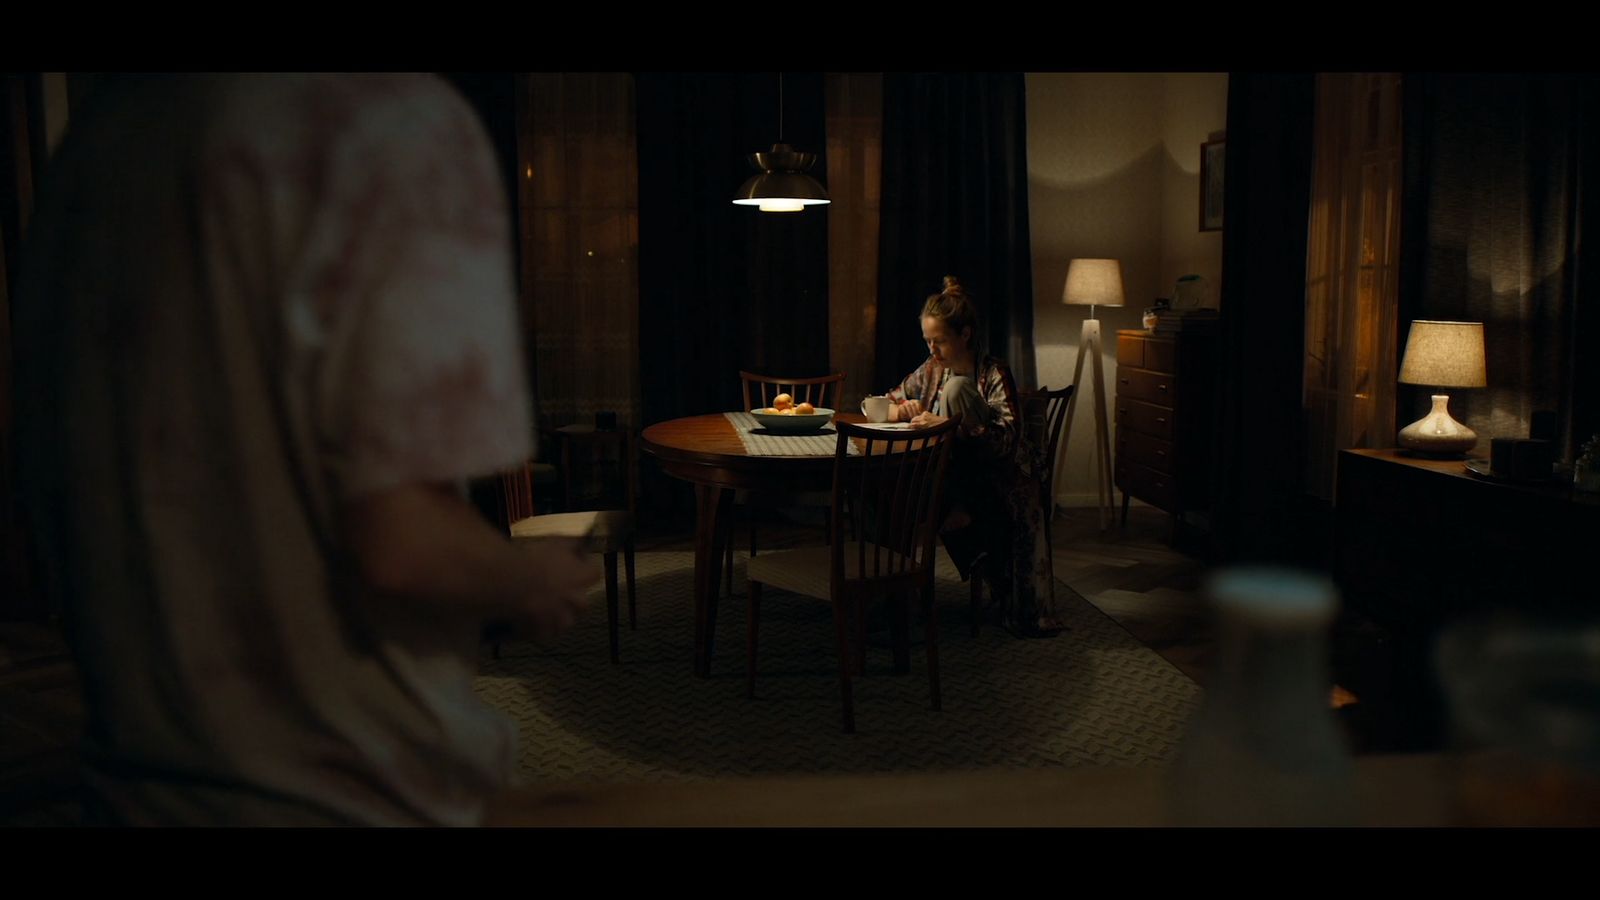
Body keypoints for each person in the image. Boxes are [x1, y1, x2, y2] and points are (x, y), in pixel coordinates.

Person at [12, 74, 599, 825]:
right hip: (347, 796)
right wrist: (527, 576)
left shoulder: (105, 131)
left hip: (133, 789)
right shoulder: (385, 123)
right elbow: (405, 544)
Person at [885, 276, 1060, 635]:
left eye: (940, 341)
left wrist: (947, 425)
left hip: (996, 469)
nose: (932, 350)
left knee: (957, 389)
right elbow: (886, 401)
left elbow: (1007, 438)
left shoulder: (994, 372)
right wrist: (901, 410)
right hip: (949, 472)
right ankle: (891, 598)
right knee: (892, 494)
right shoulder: (930, 369)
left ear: (964, 335)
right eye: (928, 341)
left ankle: (960, 511)